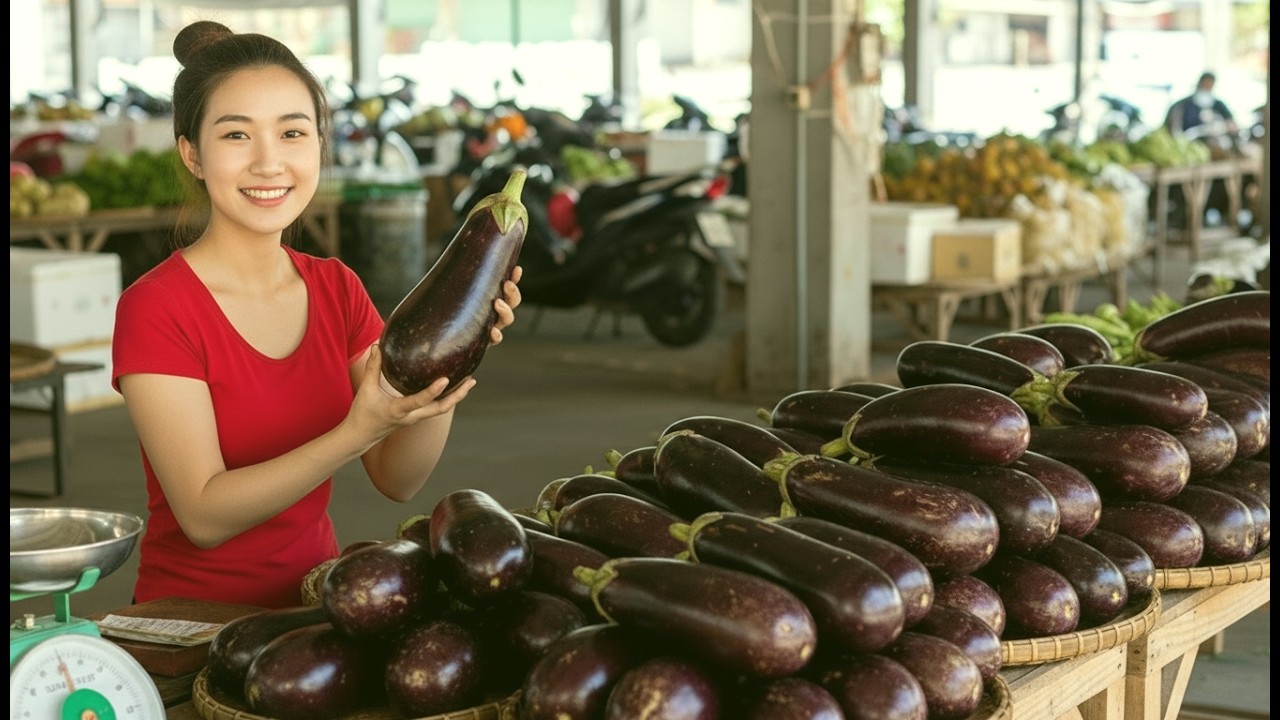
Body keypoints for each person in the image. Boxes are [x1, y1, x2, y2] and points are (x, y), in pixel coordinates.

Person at [111, 20, 522, 608]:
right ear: (192, 154)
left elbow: (398, 478)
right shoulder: (157, 308)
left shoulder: (336, 288)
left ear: (318, 145)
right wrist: (356, 430)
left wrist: (458, 347)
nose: (268, 163)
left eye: (293, 133)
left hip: (321, 609)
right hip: (192, 625)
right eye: (235, 136)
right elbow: (203, 513)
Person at [1164, 71, 1237, 137]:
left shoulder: (1219, 105)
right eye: (1206, 84)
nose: (1207, 87)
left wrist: (1223, 127)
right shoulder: (1183, 104)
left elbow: (1232, 123)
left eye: (1210, 85)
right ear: (1200, 83)